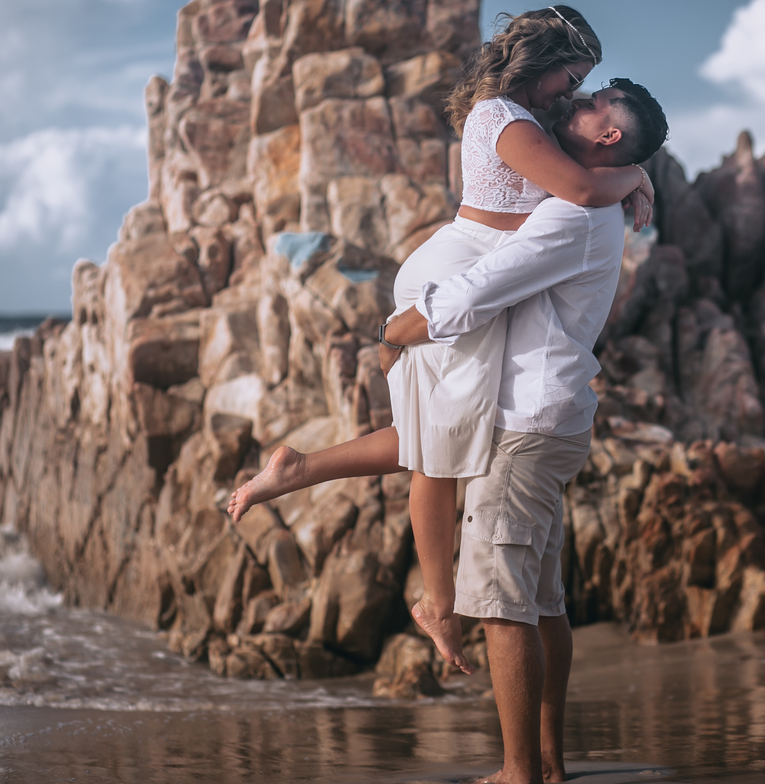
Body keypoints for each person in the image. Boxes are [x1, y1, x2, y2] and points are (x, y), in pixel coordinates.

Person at [237, 78, 669, 784]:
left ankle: (517, 772)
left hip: (526, 423)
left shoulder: (574, 216)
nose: (577, 100)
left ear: (608, 136)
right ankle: (548, 765)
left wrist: (399, 329)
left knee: (501, 605)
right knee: (543, 601)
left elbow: (482, 287)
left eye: (591, 101)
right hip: (549, 417)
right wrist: (637, 176)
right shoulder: (589, 201)